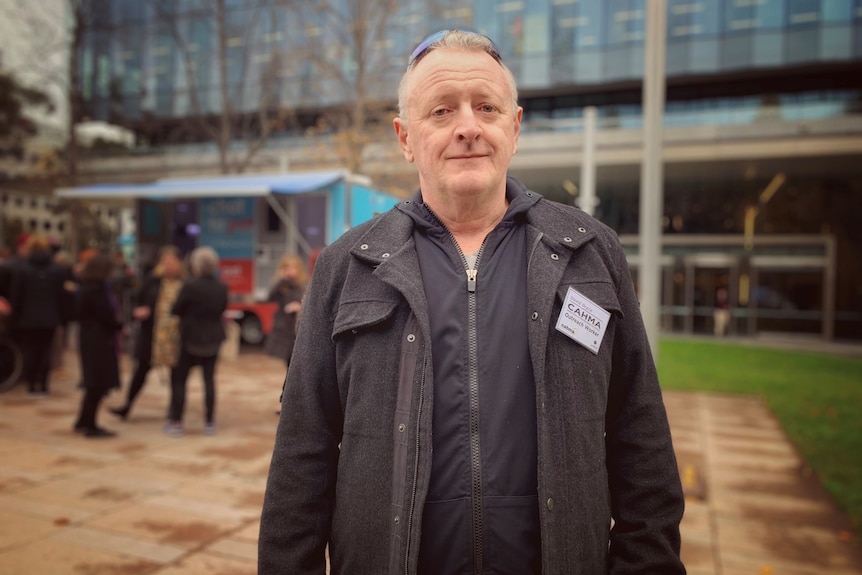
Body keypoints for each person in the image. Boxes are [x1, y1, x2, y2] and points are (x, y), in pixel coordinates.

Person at [258, 30, 685, 574]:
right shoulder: (347, 266)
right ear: (405, 137)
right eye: (441, 110)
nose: (467, 127)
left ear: (515, 126)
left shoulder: (590, 252)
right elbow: (302, 455)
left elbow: (641, 440)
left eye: (486, 107)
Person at [109, 246, 185, 421]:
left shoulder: (184, 283)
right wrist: (138, 311)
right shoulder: (153, 280)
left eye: (171, 262)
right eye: (165, 262)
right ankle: (127, 405)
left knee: (177, 376)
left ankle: (174, 410)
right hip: (151, 334)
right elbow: (138, 299)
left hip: (174, 338)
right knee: (141, 370)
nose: (168, 266)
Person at [165, 246, 228, 437]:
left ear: (196, 266)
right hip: (213, 338)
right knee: (209, 381)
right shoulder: (221, 287)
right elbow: (222, 309)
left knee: (179, 380)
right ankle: (209, 422)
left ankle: (177, 423)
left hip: (189, 338)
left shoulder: (189, 285)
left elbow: (176, 309)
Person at [7, 234, 72, 395]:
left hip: (27, 318)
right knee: (46, 350)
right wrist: (63, 317)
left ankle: (31, 384)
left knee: (30, 350)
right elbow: (62, 296)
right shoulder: (57, 270)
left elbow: (17, 296)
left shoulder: (22, 269)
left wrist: (14, 317)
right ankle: (43, 385)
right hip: (50, 318)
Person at [73, 251, 123, 438]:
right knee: (97, 382)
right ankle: (90, 425)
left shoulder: (85, 287)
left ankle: (83, 420)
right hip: (98, 339)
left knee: (92, 381)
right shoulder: (97, 290)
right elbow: (105, 315)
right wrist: (119, 326)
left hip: (89, 337)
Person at [264, 254, 308, 367]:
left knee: (298, 363)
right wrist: (282, 280)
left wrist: (299, 306)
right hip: (284, 328)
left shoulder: (304, 284)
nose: (290, 271)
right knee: (288, 362)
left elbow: (309, 301)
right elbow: (269, 298)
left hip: (299, 327)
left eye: (293, 267)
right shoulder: (281, 285)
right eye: (287, 268)